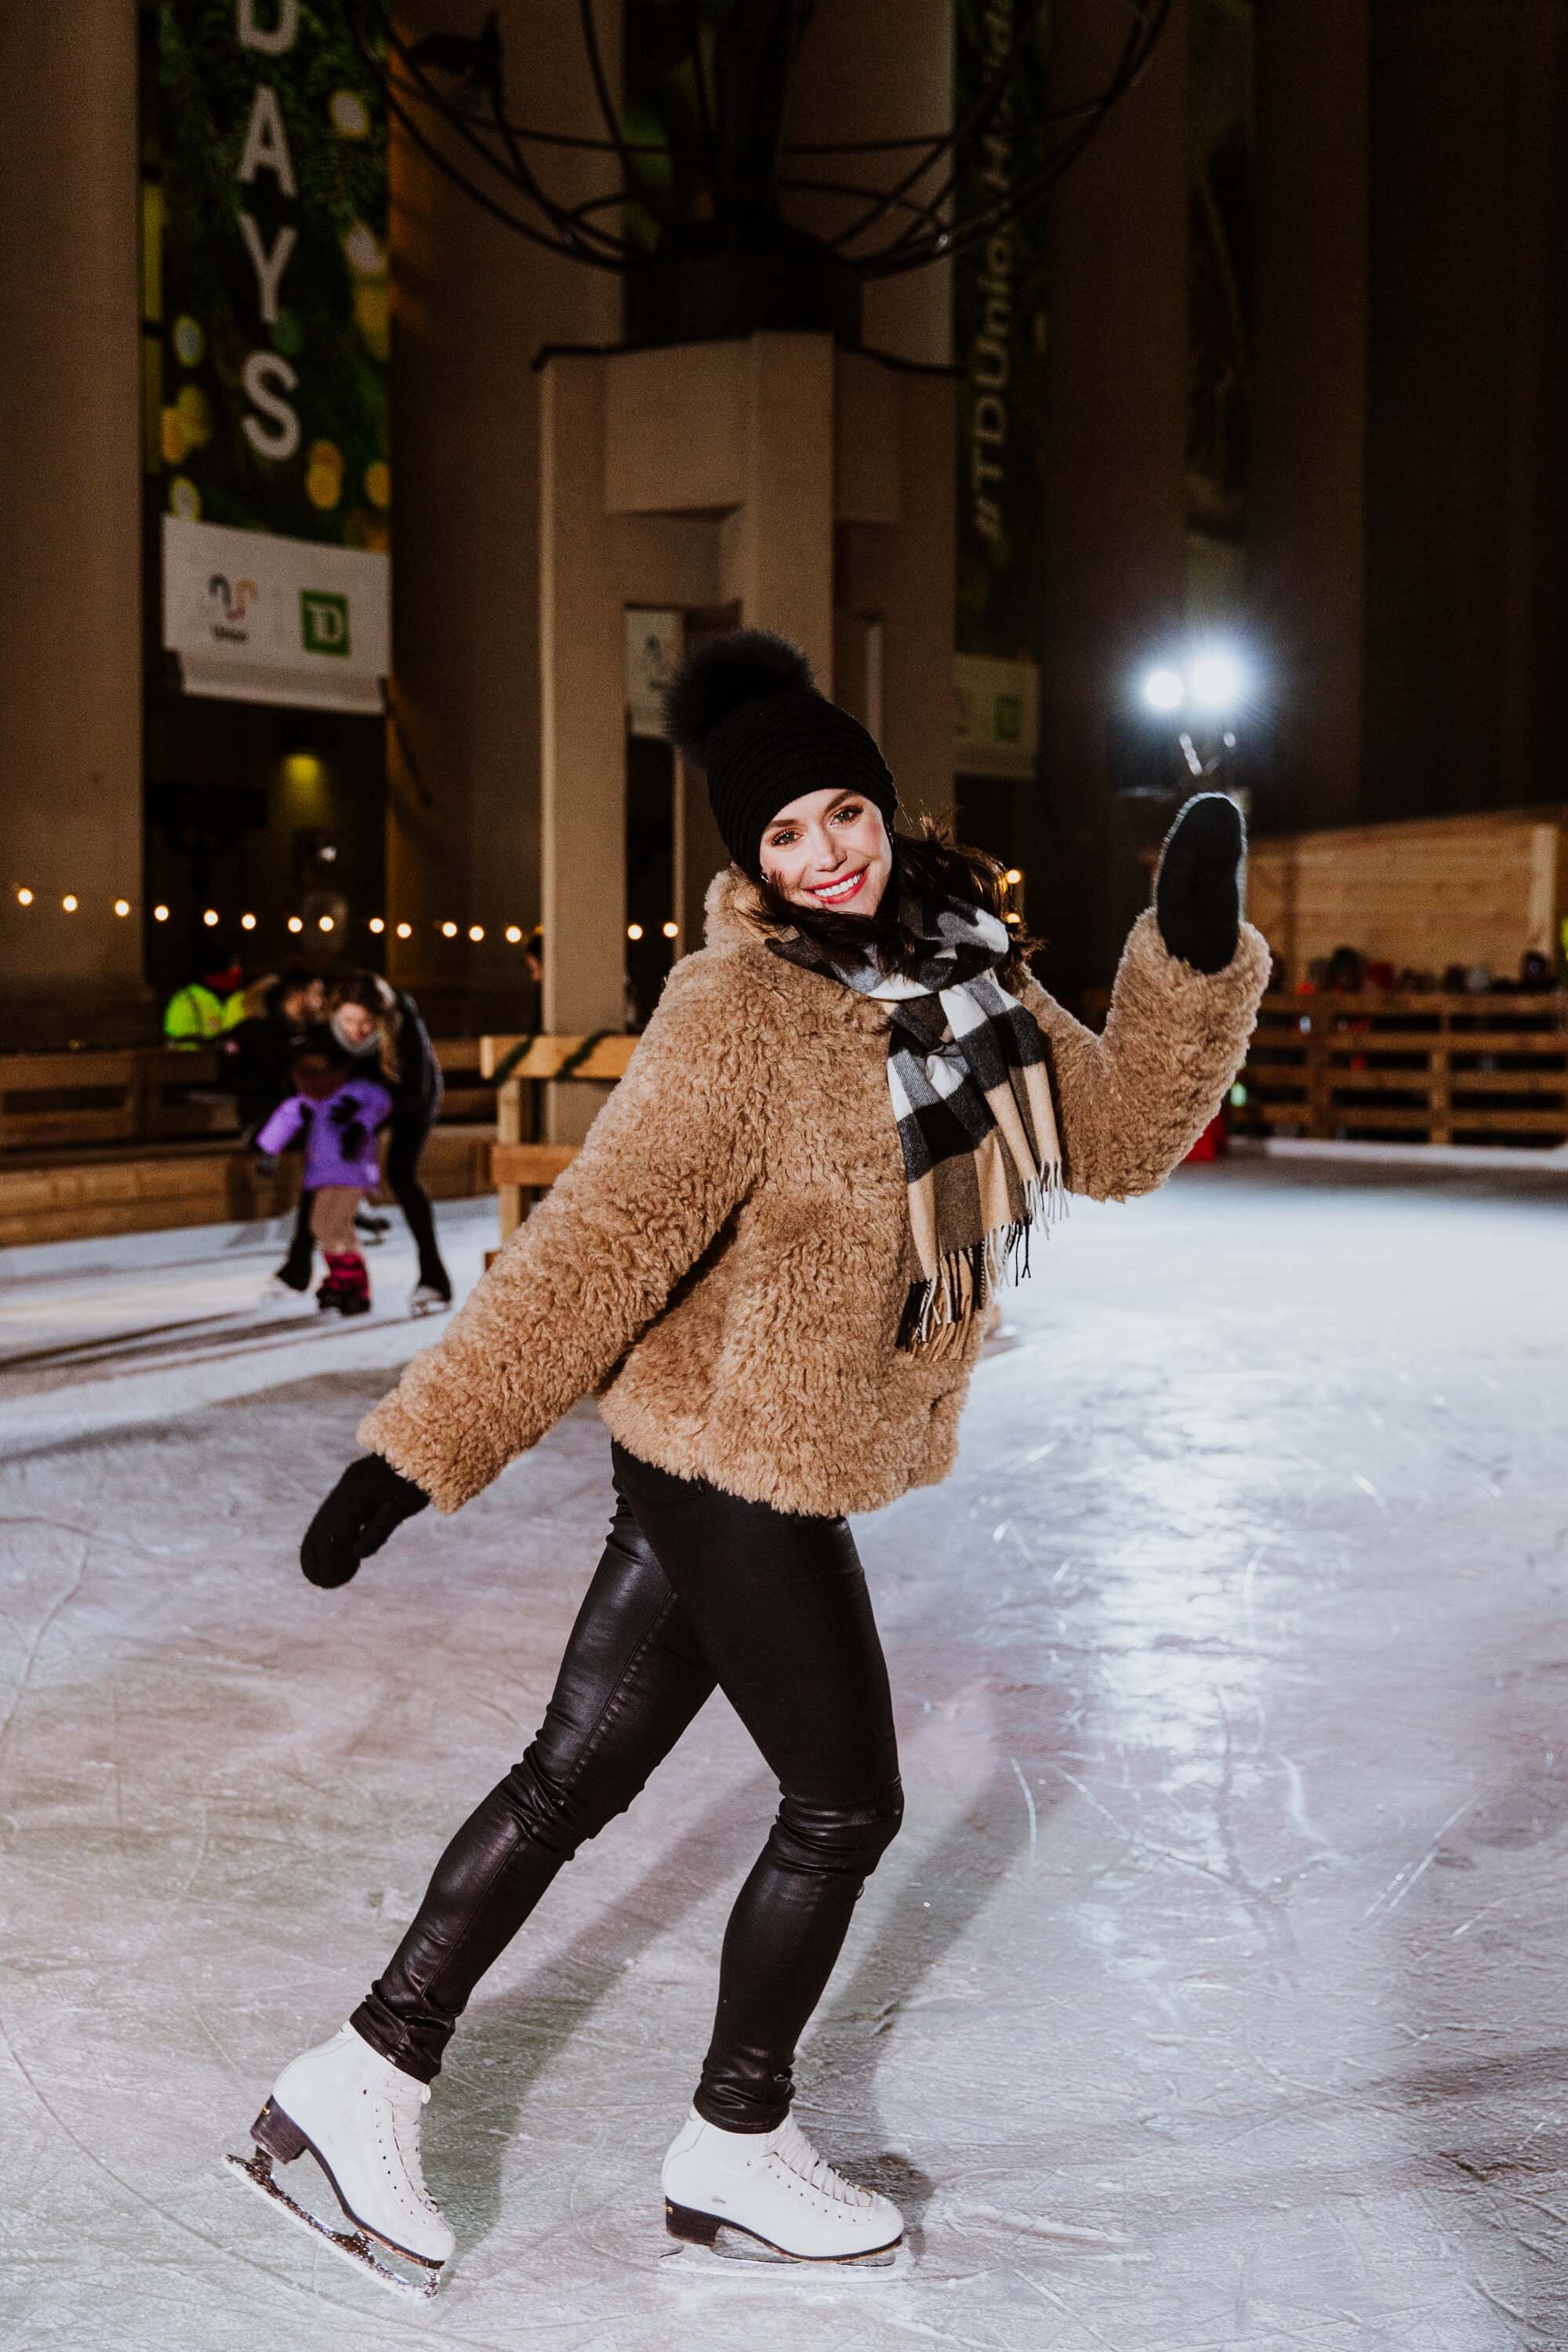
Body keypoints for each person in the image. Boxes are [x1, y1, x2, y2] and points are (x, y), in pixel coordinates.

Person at [226, 630, 1269, 2296]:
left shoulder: (966, 971)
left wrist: (1194, 950)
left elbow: (1125, 1135)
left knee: (570, 1779)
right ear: (748, 863)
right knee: (845, 1799)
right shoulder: (736, 1013)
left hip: (747, 1461)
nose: (822, 855)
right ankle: (732, 2141)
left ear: (879, 807)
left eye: (837, 813)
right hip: (730, 1467)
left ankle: (351, 2083)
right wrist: (419, 1451)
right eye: (780, 837)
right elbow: (603, 1245)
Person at [321, 973, 452, 1317]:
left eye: (366, 1023)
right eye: (348, 1021)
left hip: (412, 1097)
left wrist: (370, 1123)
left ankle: (435, 1277)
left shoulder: (404, 1024)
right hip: (368, 1097)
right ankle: (336, 1267)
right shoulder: (332, 1032)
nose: (357, 1031)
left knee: (401, 1175)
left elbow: (416, 1091)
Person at [253, 1034, 394, 1316]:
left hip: (352, 1170)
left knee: (333, 1225)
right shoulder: (313, 1100)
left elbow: (380, 1101)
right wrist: (268, 1148)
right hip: (322, 1172)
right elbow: (287, 1115)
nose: (315, 1078)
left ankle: (353, 1283)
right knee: (322, 1226)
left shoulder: (355, 1092)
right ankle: (345, 1277)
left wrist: (359, 1123)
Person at [222, 967, 325, 1139]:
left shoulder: (315, 1035)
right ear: (298, 995)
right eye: (317, 995)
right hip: (266, 1120)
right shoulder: (256, 1033)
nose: (321, 1003)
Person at [163, 942, 247, 1047]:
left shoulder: (240, 999)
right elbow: (177, 1049)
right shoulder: (185, 1002)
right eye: (233, 965)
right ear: (218, 968)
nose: (238, 970)